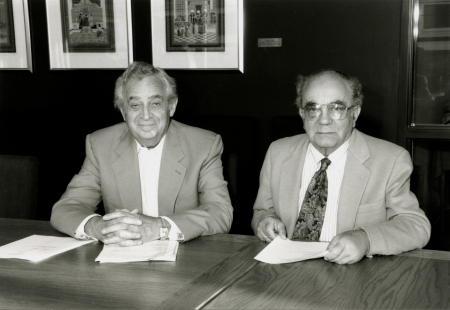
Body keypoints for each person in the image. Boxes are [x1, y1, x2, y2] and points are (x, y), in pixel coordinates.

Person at [252, 69, 431, 264]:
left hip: (354, 278)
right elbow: (262, 211)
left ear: (354, 113)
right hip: (285, 272)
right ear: (302, 114)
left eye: (336, 108)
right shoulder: (278, 153)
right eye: (313, 109)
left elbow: (416, 225)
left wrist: (365, 239)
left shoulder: (391, 160)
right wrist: (264, 222)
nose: (324, 120)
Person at [51, 61, 233, 246]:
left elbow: (220, 212)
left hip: (186, 258)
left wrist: (160, 227)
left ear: (171, 106)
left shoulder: (204, 145)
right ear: (123, 111)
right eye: (135, 105)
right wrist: (98, 227)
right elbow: (65, 208)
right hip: (122, 259)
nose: (146, 115)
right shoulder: (100, 145)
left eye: (155, 103)